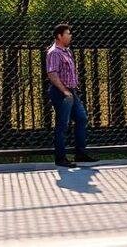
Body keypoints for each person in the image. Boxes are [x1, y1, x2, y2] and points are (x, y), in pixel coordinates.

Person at [46, 24, 97, 168]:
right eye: (68, 33)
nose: (70, 36)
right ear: (59, 36)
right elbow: (52, 74)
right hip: (62, 93)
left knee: (81, 118)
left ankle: (80, 153)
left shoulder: (67, 51)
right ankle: (60, 158)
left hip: (71, 91)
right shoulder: (54, 52)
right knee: (63, 124)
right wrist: (64, 91)